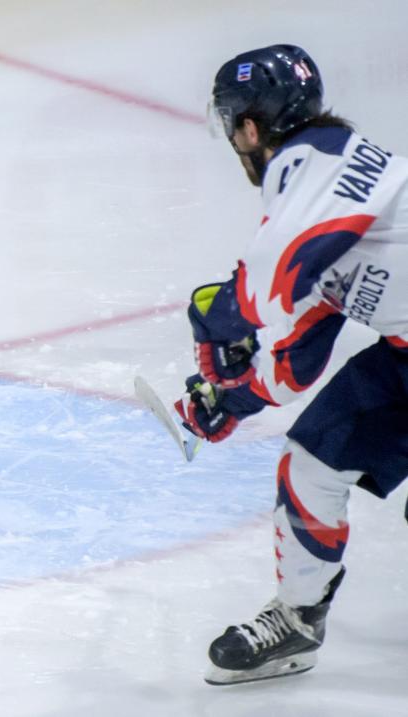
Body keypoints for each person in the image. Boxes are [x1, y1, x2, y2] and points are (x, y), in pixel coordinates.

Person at [174, 45, 408, 685]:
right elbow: (297, 353)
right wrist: (233, 398)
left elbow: (268, 280)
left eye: (231, 125)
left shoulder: (316, 160)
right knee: (311, 463)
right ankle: (299, 620)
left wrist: (214, 324)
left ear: (250, 127)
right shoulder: (318, 192)